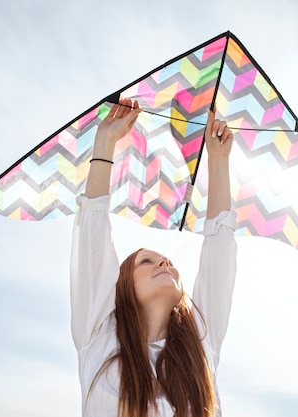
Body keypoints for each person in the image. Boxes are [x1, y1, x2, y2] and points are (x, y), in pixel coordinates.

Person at [70, 98, 237, 417]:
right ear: (121, 288)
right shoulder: (100, 340)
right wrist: (105, 143)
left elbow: (220, 249)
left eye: (166, 261)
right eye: (147, 261)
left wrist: (217, 161)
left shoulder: (200, 345)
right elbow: (91, 236)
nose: (165, 263)